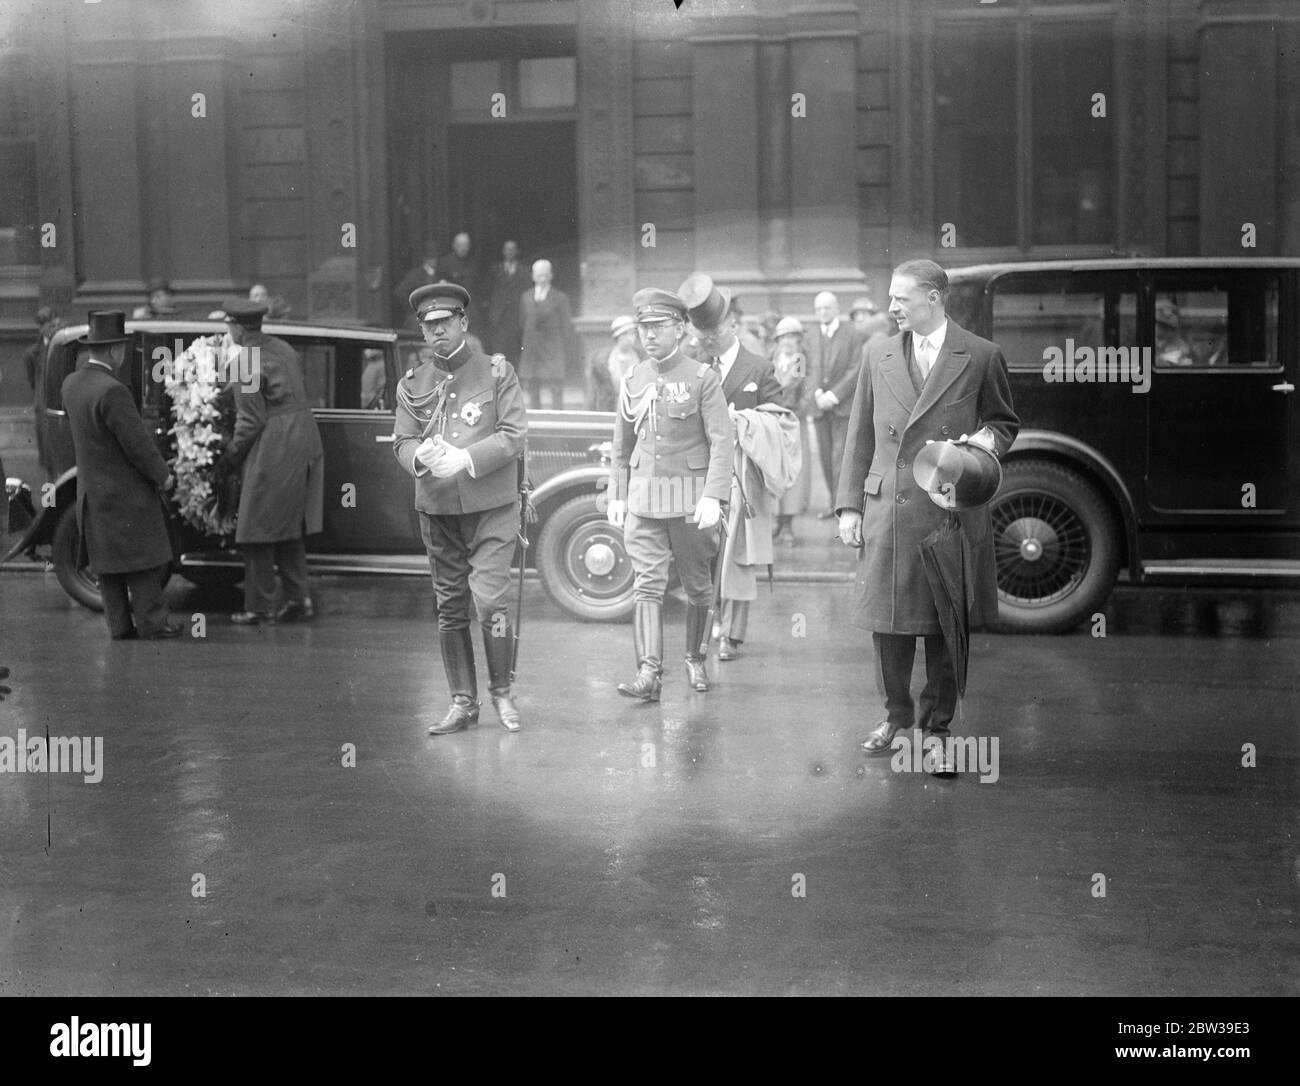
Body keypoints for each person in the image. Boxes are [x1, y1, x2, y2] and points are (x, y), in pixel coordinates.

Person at [836, 259, 1019, 776]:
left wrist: (977, 444)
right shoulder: (877, 353)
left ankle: (935, 731)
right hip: (887, 508)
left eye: (900, 298)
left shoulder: (980, 355)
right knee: (886, 623)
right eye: (889, 298)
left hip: (948, 510)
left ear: (934, 299)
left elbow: (1004, 424)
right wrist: (849, 505)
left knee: (944, 624)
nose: (890, 307)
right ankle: (894, 717)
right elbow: (859, 436)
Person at [392, 282, 527, 734]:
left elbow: (513, 435)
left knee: (491, 604)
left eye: (445, 324)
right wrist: (419, 457)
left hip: (491, 506)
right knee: (450, 607)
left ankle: (502, 693)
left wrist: (465, 458)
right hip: (437, 508)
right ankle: (462, 703)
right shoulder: (413, 383)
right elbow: (402, 440)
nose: (437, 334)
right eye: (429, 327)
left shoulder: (496, 372)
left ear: (463, 323)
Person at [606, 288, 732, 700]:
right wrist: (617, 494)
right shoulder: (633, 378)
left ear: (679, 329)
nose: (649, 335)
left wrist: (714, 496)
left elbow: (721, 443)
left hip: (691, 499)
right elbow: (623, 444)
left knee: (697, 586)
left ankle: (695, 657)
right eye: (643, 328)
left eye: (658, 327)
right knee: (647, 585)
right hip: (644, 498)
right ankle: (648, 673)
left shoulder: (701, 377)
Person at [679, 274, 782, 662]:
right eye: (701, 334)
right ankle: (711, 625)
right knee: (704, 552)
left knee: (736, 554)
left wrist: (747, 422)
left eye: (713, 333)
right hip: (701, 473)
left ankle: (732, 636)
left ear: (732, 326)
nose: (706, 340)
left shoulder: (760, 368)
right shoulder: (693, 366)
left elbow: (781, 419)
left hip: (743, 477)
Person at [61, 311, 180, 640]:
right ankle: (153, 624)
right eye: (123, 348)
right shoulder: (112, 391)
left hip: (92, 491)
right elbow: (138, 445)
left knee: (107, 563)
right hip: (126, 494)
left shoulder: (71, 384)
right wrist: (164, 476)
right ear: (115, 351)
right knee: (144, 559)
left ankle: (120, 626)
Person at [217, 298, 325, 626]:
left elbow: (250, 422)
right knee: (288, 524)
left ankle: (258, 607)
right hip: (303, 435)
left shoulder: (245, 361)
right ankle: (299, 599)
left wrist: (230, 457)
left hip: (276, 443)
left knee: (255, 525)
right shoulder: (283, 348)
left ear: (236, 326)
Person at [805, 291, 866, 518]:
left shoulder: (852, 333)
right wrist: (816, 392)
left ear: (836, 308)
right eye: (819, 308)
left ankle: (844, 506)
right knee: (824, 456)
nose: (822, 312)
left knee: (841, 457)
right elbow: (805, 367)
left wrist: (833, 396)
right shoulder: (810, 335)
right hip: (819, 407)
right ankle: (833, 503)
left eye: (827, 308)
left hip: (842, 406)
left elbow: (855, 368)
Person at [770, 316, 811, 545]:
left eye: (792, 337)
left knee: (793, 471)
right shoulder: (772, 359)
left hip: (793, 422)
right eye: (783, 337)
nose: (787, 341)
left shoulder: (800, 361)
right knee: (775, 469)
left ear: (798, 339)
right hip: (773, 422)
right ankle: (777, 520)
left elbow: (799, 386)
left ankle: (789, 525)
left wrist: (785, 405)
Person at [519, 259, 578, 409]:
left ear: (551, 276)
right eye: (539, 275)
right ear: (533, 276)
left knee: (555, 386)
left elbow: (566, 326)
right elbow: (522, 322)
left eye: (545, 275)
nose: (542, 279)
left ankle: (559, 419)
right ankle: (534, 419)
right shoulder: (526, 297)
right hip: (532, 348)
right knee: (532, 386)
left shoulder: (560, 298)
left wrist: (565, 349)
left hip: (552, 347)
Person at [482, 239, 529, 359]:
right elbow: (486, 290)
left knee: (515, 348)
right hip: (499, 317)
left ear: (517, 251)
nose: (510, 252)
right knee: (499, 349)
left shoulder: (524, 270)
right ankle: (500, 376)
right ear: (503, 252)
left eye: (513, 249)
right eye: (507, 249)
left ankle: (515, 376)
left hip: (516, 315)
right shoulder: (495, 269)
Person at [586, 314, 641, 411]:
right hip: (609, 410)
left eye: (634, 333)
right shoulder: (601, 360)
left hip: (636, 409)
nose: (632, 337)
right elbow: (593, 394)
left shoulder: (643, 357)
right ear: (619, 336)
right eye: (628, 334)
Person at [394, 241, 441, 329]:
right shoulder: (415, 275)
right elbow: (399, 291)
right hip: (418, 319)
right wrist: (412, 308)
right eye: (430, 257)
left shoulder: (439, 275)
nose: (434, 260)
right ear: (425, 259)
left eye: (435, 257)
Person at [1155, 299, 1194, 366]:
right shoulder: (1143, 341)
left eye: (1169, 327)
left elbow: (1186, 364)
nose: (1165, 330)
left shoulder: (1181, 347)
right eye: (1161, 324)